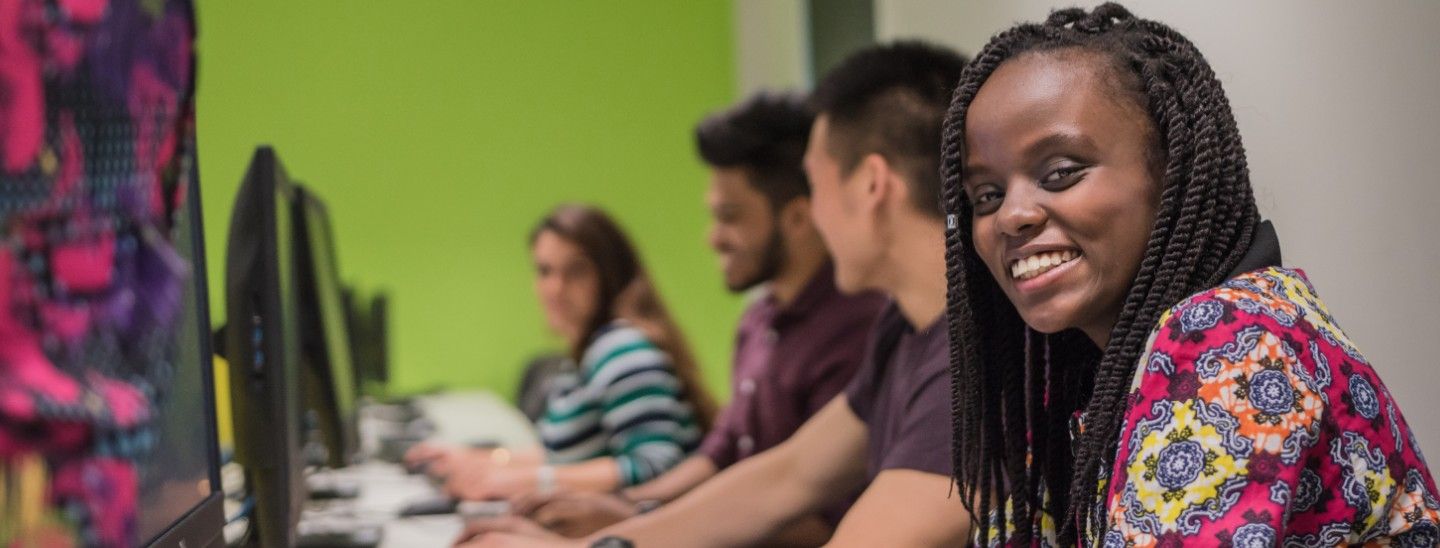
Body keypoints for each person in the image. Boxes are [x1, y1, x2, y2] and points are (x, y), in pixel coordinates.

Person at [941, 4, 1440, 546]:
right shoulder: (1085, 375)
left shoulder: (1230, 335)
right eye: (986, 196)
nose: (1011, 215)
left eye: (1060, 173)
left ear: (1172, 174)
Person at [458, 41, 972, 548]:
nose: (812, 216)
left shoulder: (971, 362)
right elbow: (787, 477)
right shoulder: (904, 328)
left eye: (815, 188)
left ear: (871, 186)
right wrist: (610, 537)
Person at [513, 92, 885, 542]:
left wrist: (632, 526)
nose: (712, 238)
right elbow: (721, 454)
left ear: (798, 217)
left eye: (729, 217)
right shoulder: (759, 321)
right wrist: (631, 511)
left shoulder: (858, 329)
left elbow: (819, 517)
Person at [420, 205, 719, 500]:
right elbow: (562, 456)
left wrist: (525, 481)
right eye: (544, 271)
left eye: (576, 271)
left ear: (609, 274)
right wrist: (482, 460)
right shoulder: (589, 352)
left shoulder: (622, 349)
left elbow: (656, 467)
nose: (555, 288)